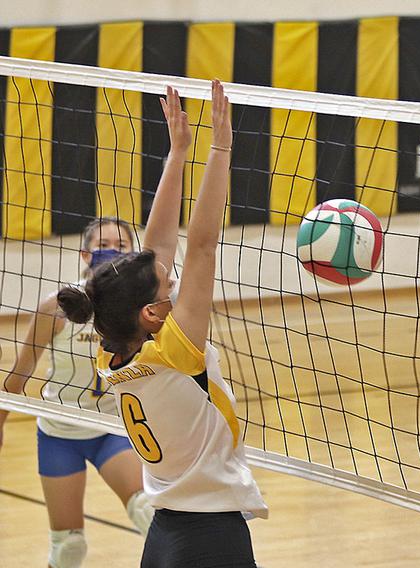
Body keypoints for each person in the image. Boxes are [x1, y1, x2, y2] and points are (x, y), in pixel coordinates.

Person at [57, 81, 267, 568]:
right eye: (167, 283)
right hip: (209, 537)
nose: (172, 277)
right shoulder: (176, 351)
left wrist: (178, 153)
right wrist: (220, 148)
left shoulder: (113, 351)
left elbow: (161, 250)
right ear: (151, 313)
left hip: (168, 532)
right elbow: (202, 244)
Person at [0, 217, 154, 568]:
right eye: (104, 244)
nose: (112, 250)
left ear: (133, 255)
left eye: (121, 245)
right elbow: (20, 372)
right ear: (85, 254)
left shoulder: (142, 310)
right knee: (68, 548)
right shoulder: (56, 307)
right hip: (60, 433)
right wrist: (0, 422)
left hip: (113, 431)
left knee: (151, 514)